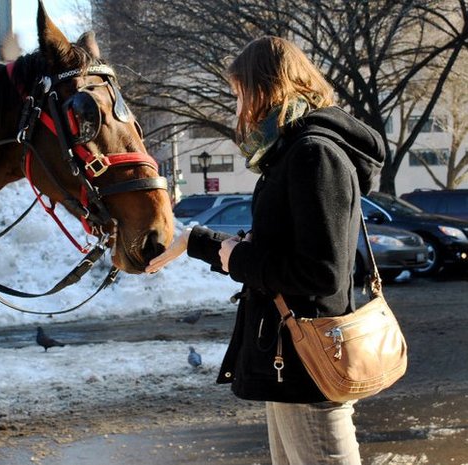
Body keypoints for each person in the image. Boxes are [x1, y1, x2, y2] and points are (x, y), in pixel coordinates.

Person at [147, 36, 385, 465]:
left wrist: (238, 258)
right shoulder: (288, 152)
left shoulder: (314, 155)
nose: (236, 107)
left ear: (268, 89)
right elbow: (281, 250)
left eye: (239, 94)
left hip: (307, 363)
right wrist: (198, 242)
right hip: (290, 356)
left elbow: (322, 273)